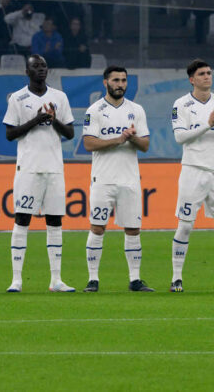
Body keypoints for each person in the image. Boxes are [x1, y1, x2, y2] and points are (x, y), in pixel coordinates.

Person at [2, 54, 75, 293]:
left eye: (44, 65)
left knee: (55, 221)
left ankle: (56, 280)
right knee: (22, 219)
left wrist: (53, 121)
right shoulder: (17, 98)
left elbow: (70, 133)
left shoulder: (60, 97)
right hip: (29, 168)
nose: (41, 69)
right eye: (36, 66)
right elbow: (10, 134)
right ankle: (16, 279)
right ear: (27, 71)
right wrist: (35, 120)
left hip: (54, 167)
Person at [82, 66, 154, 293]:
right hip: (103, 179)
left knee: (133, 229)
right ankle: (93, 279)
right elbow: (89, 143)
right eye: (115, 80)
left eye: (123, 80)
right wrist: (118, 139)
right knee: (97, 227)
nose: (120, 84)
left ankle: (135, 279)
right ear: (105, 82)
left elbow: (145, 145)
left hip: (129, 180)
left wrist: (131, 138)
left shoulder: (136, 110)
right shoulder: (94, 110)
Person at [169, 59, 214, 292]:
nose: (207, 76)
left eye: (209, 72)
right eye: (202, 74)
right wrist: (208, 124)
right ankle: (176, 278)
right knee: (186, 225)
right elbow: (180, 138)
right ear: (192, 79)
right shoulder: (181, 104)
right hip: (193, 170)